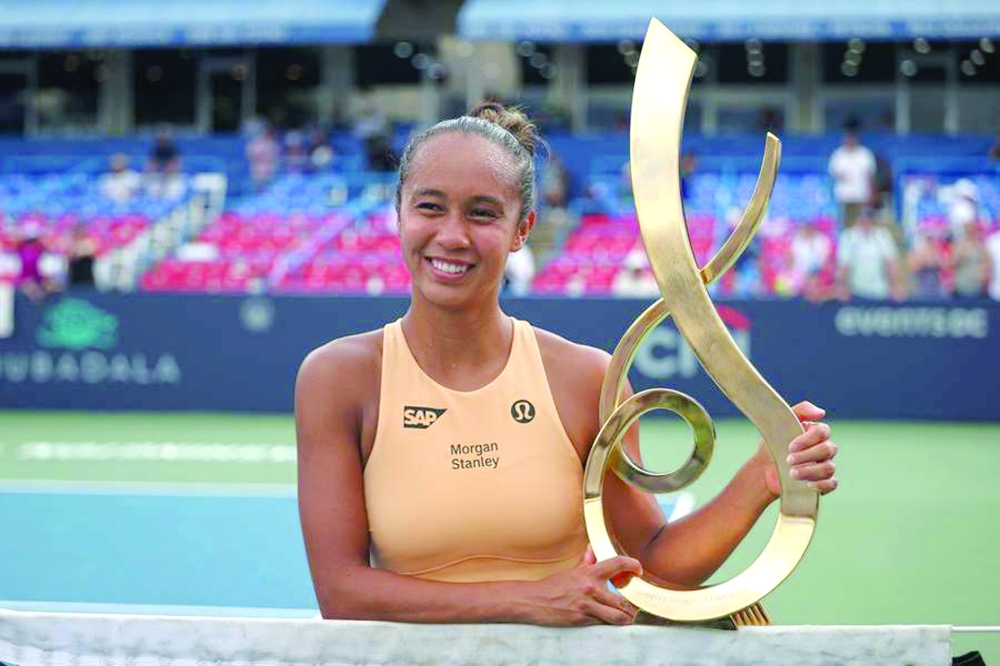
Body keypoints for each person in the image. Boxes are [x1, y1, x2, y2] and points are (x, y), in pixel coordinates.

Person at [295, 104, 839, 626]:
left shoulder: (585, 378)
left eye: (483, 212)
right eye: (429, 206)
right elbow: (341, 590)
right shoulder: (339, 378)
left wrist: (761, 480)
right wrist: (526, 599)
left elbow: (652, 561)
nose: (453, 235)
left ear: (522, 229)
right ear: (398, 212)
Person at [836, 208, 902, 301]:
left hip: (880, 291)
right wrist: (842, 286)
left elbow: (891, 263)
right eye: (862, 220)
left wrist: (895, 285)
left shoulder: (882, 235)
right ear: (858, 220)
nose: (865, 223)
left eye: (868, 220)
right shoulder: (848, 236)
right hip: (855, 291)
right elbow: (844, 265)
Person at [828, 121, 875, 228]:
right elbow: (833, 173)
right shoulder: (838, 154)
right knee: (845, 223)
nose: (850, 141)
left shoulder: (865, 154)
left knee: (861, 220)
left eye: (852, 139)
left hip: (861, 193)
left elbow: (870, 175)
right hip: (844, 195)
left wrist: (872, 193)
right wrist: (842, 176)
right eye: (847, 139)